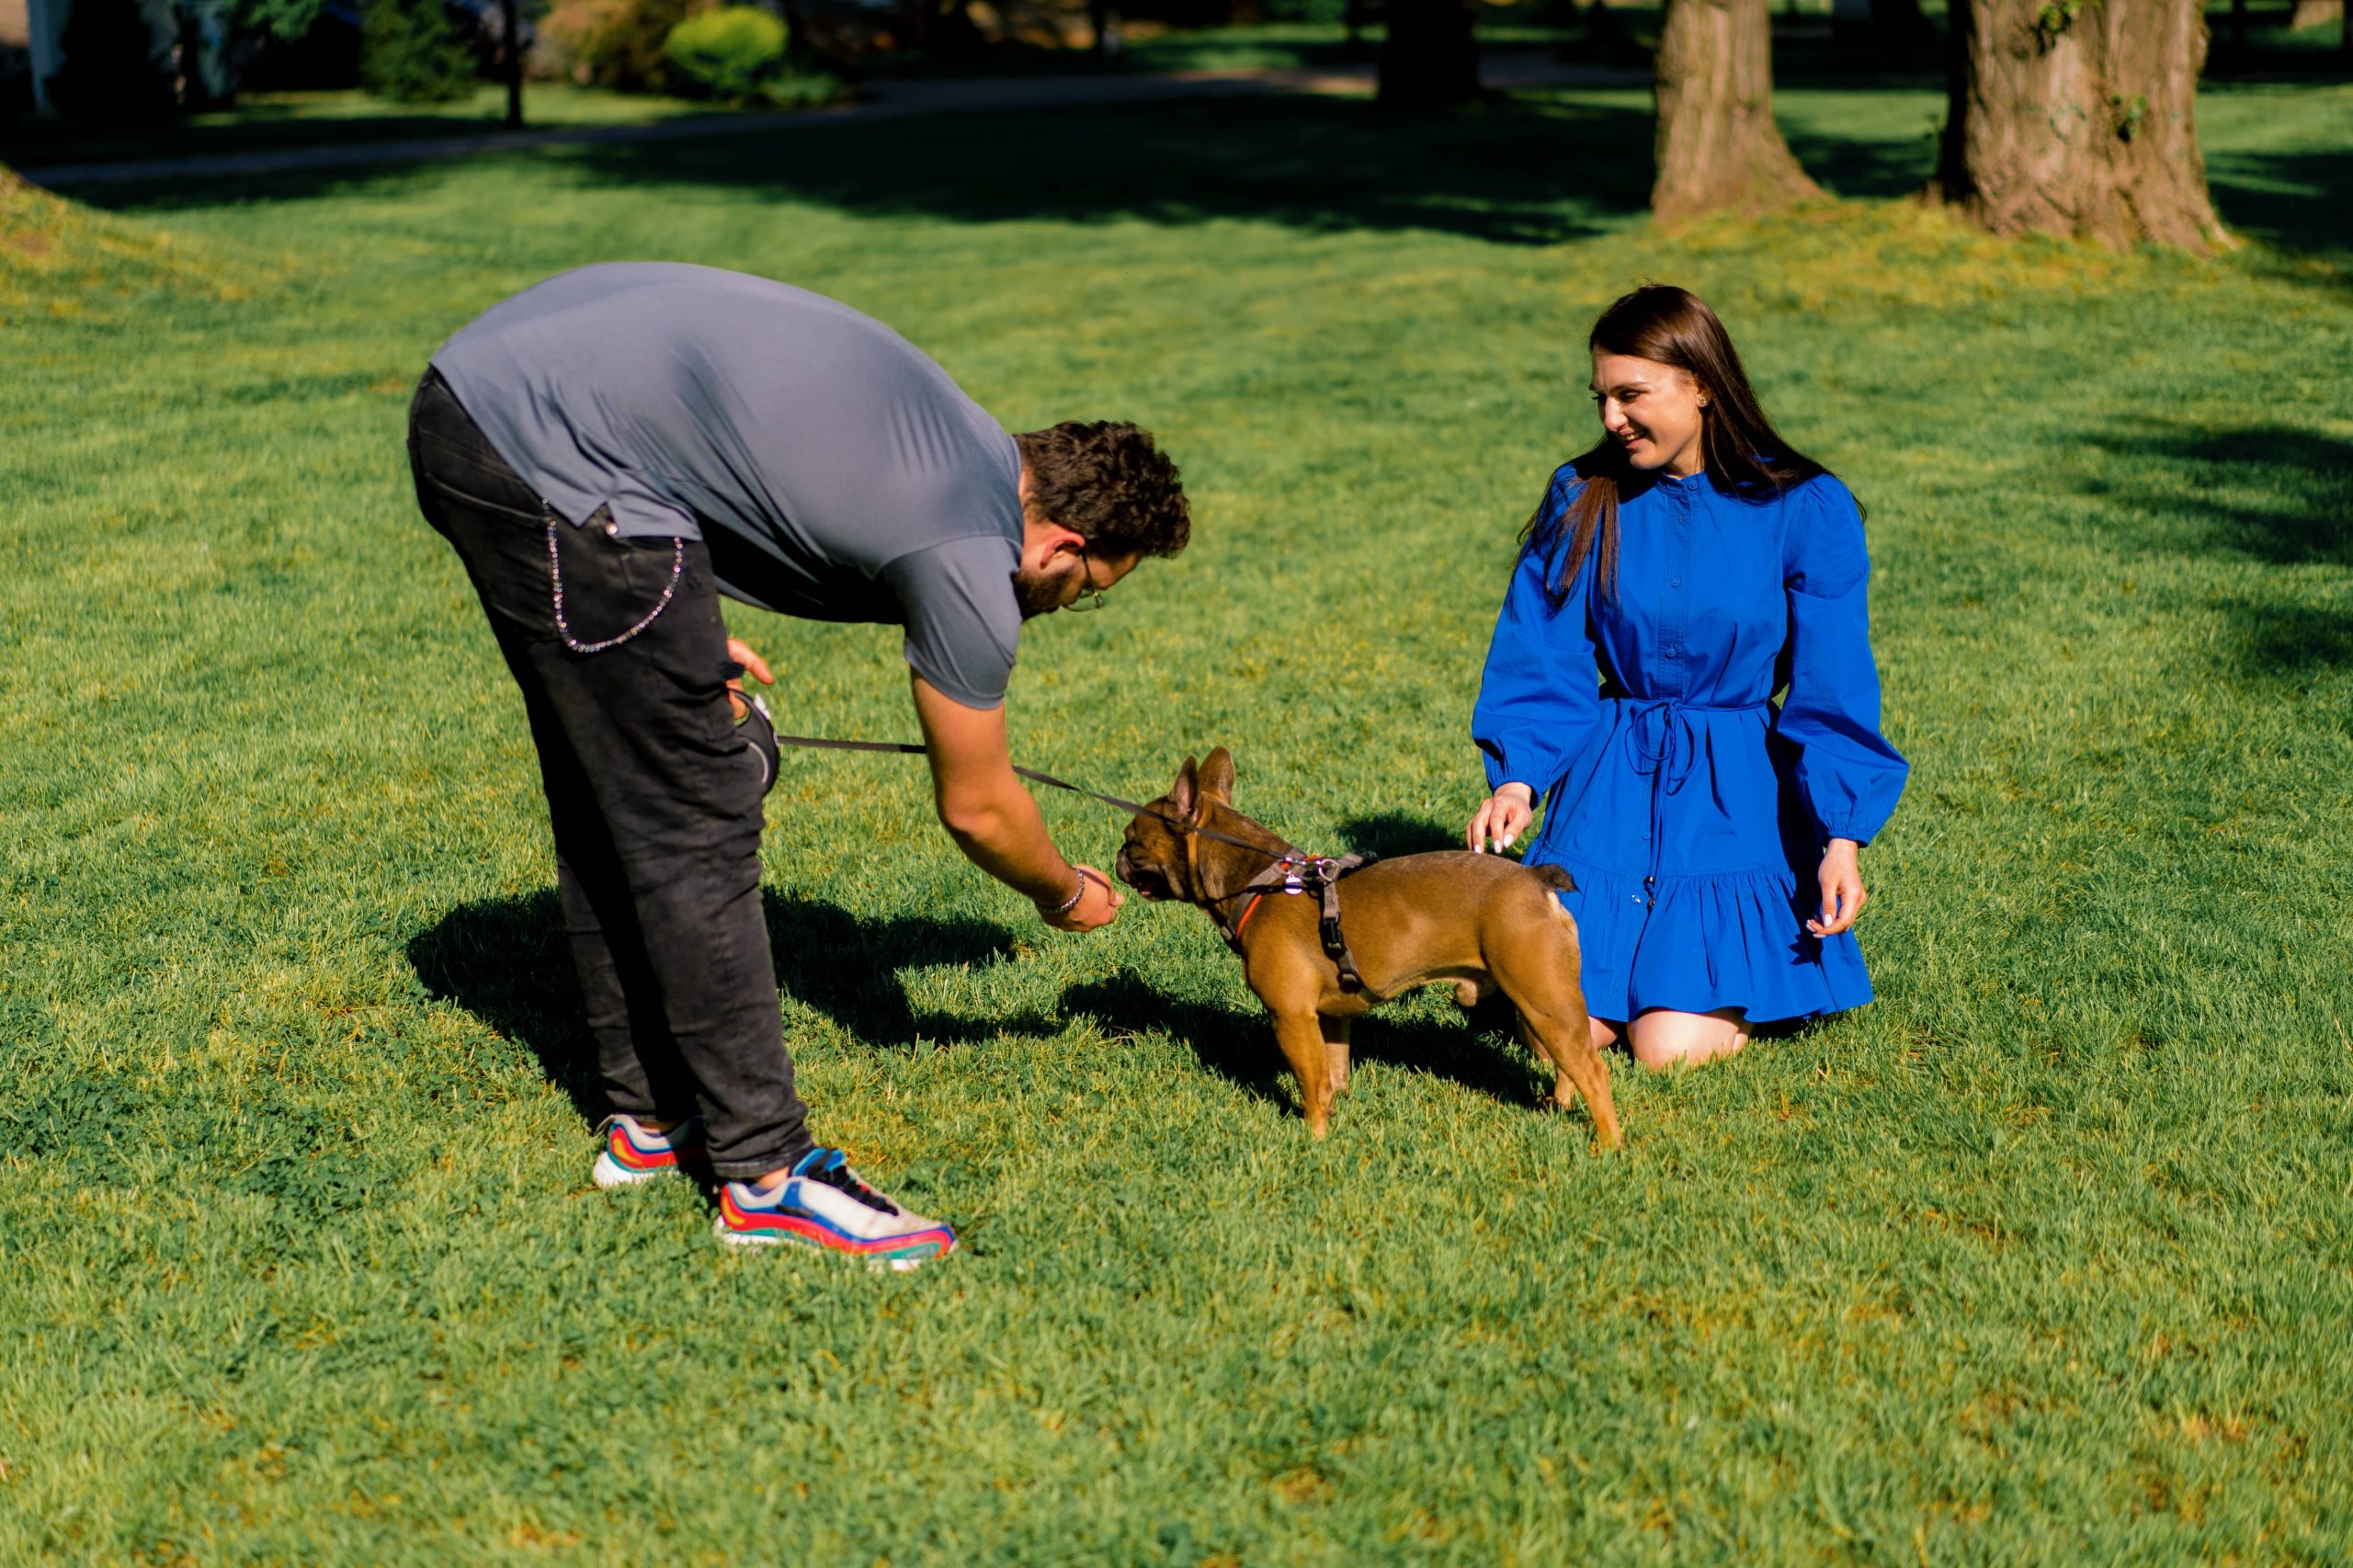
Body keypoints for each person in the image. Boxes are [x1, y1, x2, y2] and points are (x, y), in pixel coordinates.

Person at [406, 262, 1190, 1269]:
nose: (1068, 604)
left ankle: (652, 1117)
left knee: (617, 778)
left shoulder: (959, 437)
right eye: (1085, 588)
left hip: (485, 397)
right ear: (1064, 543)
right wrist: (1062, 894)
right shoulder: (969, 544)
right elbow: (981, 806)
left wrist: (666, 632)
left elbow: (732, 448)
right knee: (700, 805)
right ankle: (767, 1174)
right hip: (552, 447)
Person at [1464, 285, 1906, 1071]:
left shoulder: (1804, 506)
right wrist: (1519, 782)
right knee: (1558, 1037)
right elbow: (1545, 657)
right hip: (1610, 783)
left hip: (1734, 793)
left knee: (1668, 1049)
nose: (1610, 419)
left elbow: (1832, 686)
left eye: (1631, 395)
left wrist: (1841, 839)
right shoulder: (1581, 495)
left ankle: (1730, 977)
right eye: (1601, 397)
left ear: (1701, 385)